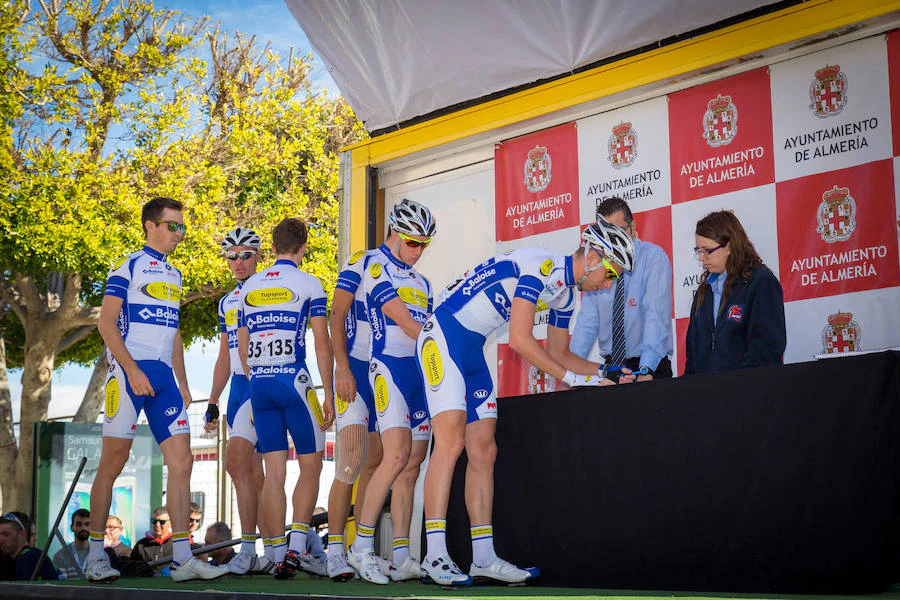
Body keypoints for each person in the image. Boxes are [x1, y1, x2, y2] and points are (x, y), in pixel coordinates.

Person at [416, 216, 635, 585]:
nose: (609, 283)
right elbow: (519, 339)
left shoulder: (565, 293)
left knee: (484, 451)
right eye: (611, 273)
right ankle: (434, 555)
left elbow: (560, 353)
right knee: (451, 442)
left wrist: (606, 373)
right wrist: (576, 380)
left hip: (470, 349)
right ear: (595, 257)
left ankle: (482, 556)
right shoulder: (540, 266)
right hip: (441, 336)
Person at [86, 197, 227, 582]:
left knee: (183, 462)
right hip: (127, 376)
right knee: (112, 465)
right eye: (173, 226)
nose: (180, 233)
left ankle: (182, 557)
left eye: (182, 226)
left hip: (164, 379)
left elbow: (175, 332)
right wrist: (130, 370)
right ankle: (96, 556)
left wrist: (183, 383)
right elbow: (107, 324)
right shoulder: (127, 266)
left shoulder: (175, 274)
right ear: (151, 225)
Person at [237, 217, 334, 580]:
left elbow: (243, 347)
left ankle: (276, 554)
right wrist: (328, 391)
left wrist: (256, 377)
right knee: (311, 465)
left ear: (273, 248)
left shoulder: (250, 286)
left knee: (273, 472)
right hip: (294, 379)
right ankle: (296, 548)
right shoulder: (310, 283)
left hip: (258, 383)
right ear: (303, 247)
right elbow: (321, 342)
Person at [347, 198, 435, 585]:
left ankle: (402, 555)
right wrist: (441, 341)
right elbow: (402, 318)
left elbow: (426, 323)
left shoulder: (423, 281)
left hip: (418, 373)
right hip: (388, 368)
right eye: (414, 243)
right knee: (394, 454)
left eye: (425, 245)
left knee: (411, 465)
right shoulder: (376, 265)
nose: (419, 251)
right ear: (396, 235)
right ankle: (360, 548)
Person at [203, 227, 274, 575]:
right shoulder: (226, 301)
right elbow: (223, 356)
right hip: (238, 391)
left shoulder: (269, 290)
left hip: (263, 383)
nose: (238, 262)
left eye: (245, 254)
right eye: (232, 256)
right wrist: (213, 401)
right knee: (252, 475)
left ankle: (251, 548)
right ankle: (272, 549)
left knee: (239, 466)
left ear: (258, 256)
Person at [326, 245, 384, 582]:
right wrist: (342, 367)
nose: (414, 249)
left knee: (374, 461)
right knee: (350, 460)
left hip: (384, 370)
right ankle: (334, 551)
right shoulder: (362, 260)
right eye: (410, 241)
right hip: (356, 367)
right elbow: (336, 315)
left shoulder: (407, 274)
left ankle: (361, 549)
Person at [571, 197, 673, 381]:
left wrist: (646, 369)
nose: (615, 241)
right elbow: (586, 324)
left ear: (633, 227)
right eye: (607, 235)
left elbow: (655, 315)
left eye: (618, 232)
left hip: (649, 366)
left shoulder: (652, 258)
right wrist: (569, 373)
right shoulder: (598, 266)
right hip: (612, 369)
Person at [684, 210, 786, 375]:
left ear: (729, 247)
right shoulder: (704, 291)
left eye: (707, 250)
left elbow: (766, 349)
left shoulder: (761, 282)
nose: (702, 257)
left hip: (748, 393)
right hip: (706, 394)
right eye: (698, 251)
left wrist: (738, 387)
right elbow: (693, 356)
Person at [0, 512, 59, 581]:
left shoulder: (27, 556)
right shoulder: (26, 555)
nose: (1, 541)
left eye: (6, 535)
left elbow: (23, 590)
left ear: (22, 534)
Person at [131, 507, 174, 573]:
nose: (157, 525)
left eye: (162, 522)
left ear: (170, 523)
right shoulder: (141, 545)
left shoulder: (176, 543)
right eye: (154, 521)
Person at [53, 508, 91, 579]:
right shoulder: (61, 556)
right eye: (79, 524)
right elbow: (62, 585)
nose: (83, 528)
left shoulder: (100, 555)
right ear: (72, 527)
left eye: (87, 524)